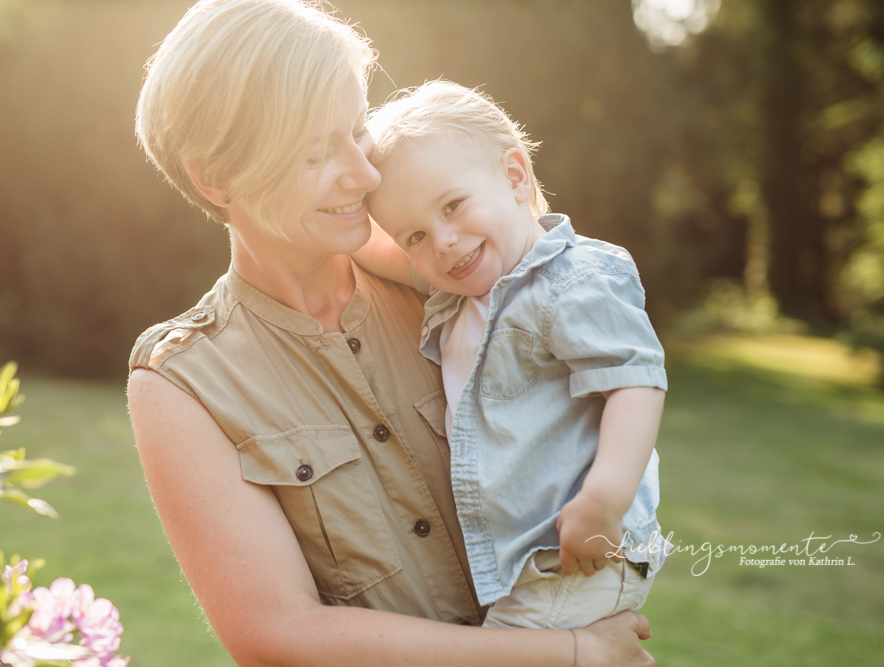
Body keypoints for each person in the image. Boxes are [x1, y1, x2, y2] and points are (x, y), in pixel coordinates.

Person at [126, 0, 656, 664]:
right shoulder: (183, 382)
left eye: (356, 131)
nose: (365, 173)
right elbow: (277, 633)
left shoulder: (448, 271)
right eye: (319, 151)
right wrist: (571, 651)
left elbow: (597, 332)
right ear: (219, 179)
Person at [352, 80, 670, 629]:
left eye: (453, 205)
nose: (444, 241)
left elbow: (636, 383)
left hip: (574, 555)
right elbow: (371, 251)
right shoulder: (459, 290)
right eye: (416, 236)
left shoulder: (570, 279)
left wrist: (604, 500)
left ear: (516, 176)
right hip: (526, 566)